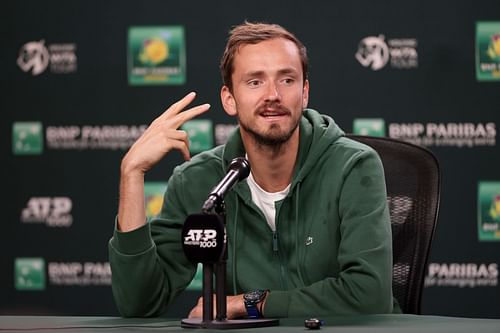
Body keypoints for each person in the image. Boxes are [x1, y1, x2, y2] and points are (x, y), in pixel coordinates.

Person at [109, 21, 398, 319]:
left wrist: (251, 302)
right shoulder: (198, 181)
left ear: (305, 92)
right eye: (255, 82)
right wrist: (132, 173)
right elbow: (139, 303)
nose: (273, 95)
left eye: (287, 80)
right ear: (229, 99)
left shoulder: (354, 166)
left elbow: (370, 297)